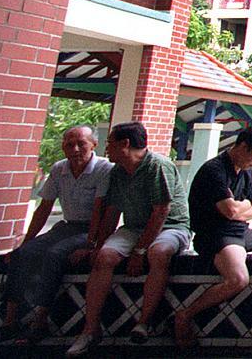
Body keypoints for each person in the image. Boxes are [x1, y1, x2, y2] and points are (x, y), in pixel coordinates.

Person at [68, 121, 192, 357]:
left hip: (171, 226)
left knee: (159, 253)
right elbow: (113, 211)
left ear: (125, 144)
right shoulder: (118, 172)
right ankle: (90, 329)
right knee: (104, 257)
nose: (106, 149)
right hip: (134, 227)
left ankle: (143, 322)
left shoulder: (157, 165)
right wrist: (97, 245)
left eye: (110, 143)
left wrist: (139, 251)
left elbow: (161, 212)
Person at [0, 126, 113, 345]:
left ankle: (40, 320)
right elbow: (44, 208)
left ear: (94, 145)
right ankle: (10, 320)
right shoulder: (60, 168)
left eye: (82, 144)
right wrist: (27, 240)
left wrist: (91, 243)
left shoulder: (105, 169)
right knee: (23, 254)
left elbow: (101, 208)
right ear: (63, 147)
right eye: (69, 145)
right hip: (66, 226)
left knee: (55, 254)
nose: (75, 149)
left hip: (90, 228)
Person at [173, 126, 252, 348]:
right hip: (214, 233)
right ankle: (185, 314)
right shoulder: (214, 170)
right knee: (238, 279)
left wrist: (242, 207)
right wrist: (243, 207)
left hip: (238, 231)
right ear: (243, 147)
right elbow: (230, 211)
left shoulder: (245, 170)